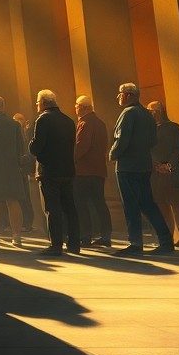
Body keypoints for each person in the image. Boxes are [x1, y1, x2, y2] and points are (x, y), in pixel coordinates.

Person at [108, 82, 173, 256]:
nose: (118, 97)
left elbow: (121, 139)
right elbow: (153, 141)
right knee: (148, 203)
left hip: (127, 166)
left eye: (120, 93)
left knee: (131, 205)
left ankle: (135, 244)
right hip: (143, 165)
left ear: (129, 95)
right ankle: (166, 240)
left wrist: (113, 154)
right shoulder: (146, 114)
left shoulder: (127, 114)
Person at [29, 90, 79, 256]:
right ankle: (74, 243)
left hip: (49, 170)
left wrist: (30, 144)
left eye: (37, 102)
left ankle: (56, 244)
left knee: (52, 209)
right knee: (69, 208)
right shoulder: (68, 120)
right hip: (67, 169)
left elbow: (37, 147)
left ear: (43, 103)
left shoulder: (43, 120)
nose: (37, 105)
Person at [148, 100, 179, 247]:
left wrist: (169, 164)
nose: (151, 113)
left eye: (154, 110)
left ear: (161, 110)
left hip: (173, 170)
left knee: (177, 204)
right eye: (149, 110)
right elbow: (147, 149)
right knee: (161, 204)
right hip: (156, 171)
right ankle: (167, 236)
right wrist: (156, 164)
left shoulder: (173, 127)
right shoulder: (149, 130)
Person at [72, 96, 111, 246]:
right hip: (99, 170)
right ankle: (106, 234)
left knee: (81, 204)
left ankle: (85, 235)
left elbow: (81, 146)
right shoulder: (100, 123)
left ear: (82, 107)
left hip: (83, 171)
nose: (75, 108)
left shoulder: (85, 123)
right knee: (99, 202)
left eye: (76, 105)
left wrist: (71, 160)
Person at [0, 96, 26, 247]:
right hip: (11, 167)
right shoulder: (14, 124)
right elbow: (21, 148)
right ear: (3, 106)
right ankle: (16, 235)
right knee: (13, 201)